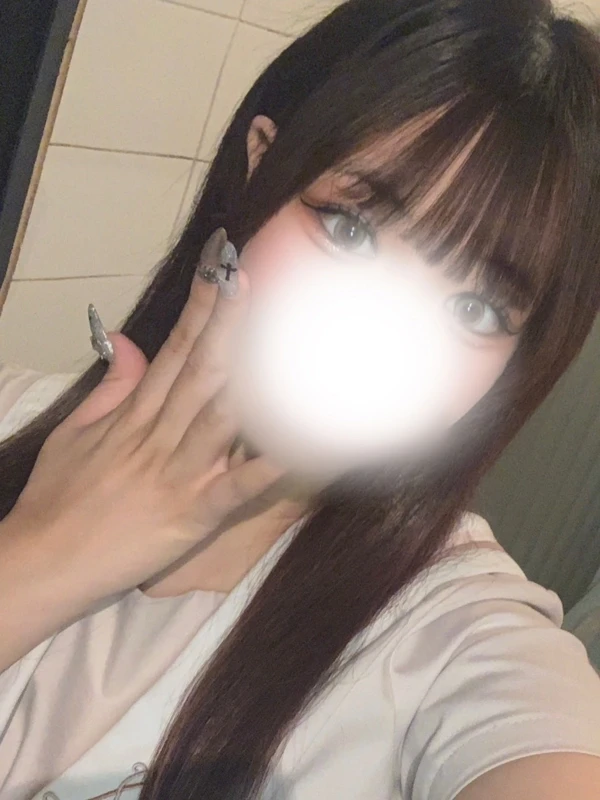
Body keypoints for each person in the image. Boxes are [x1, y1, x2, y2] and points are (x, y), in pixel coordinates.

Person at [1, 0, 600, 798]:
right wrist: (41, 558)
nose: (380, 334)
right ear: (261, 164)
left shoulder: (457, 633)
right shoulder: (13, 411)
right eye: (350, 229)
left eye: (477, 310)